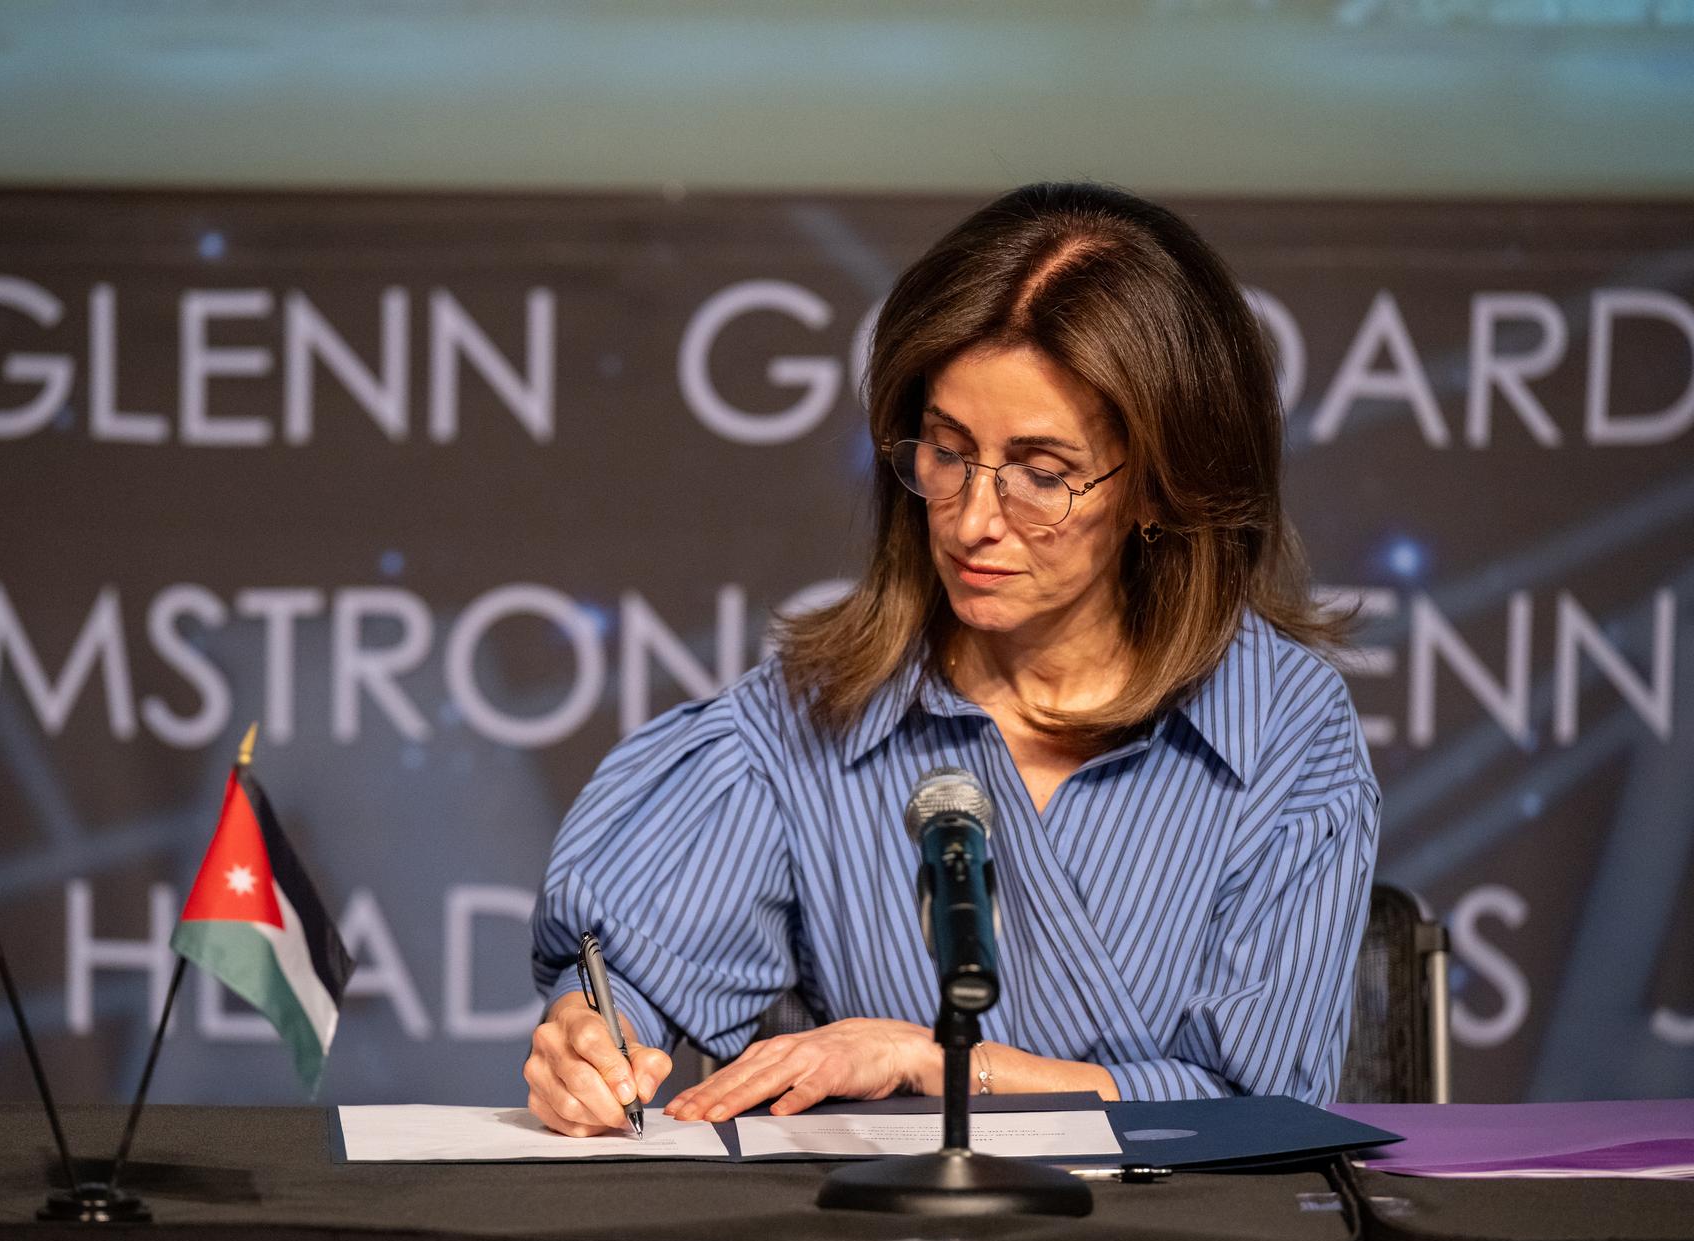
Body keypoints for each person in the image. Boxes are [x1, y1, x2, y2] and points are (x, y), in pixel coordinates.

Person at [523, 181, 1380, 1137]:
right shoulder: (803, 722)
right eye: (946, 451)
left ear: (1159, 490)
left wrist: (938, 1064)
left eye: (1042, 474)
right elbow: (641, 979)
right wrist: (591, 1038)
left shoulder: (1282, 727)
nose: (974, 521)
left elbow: (1265, 1114)